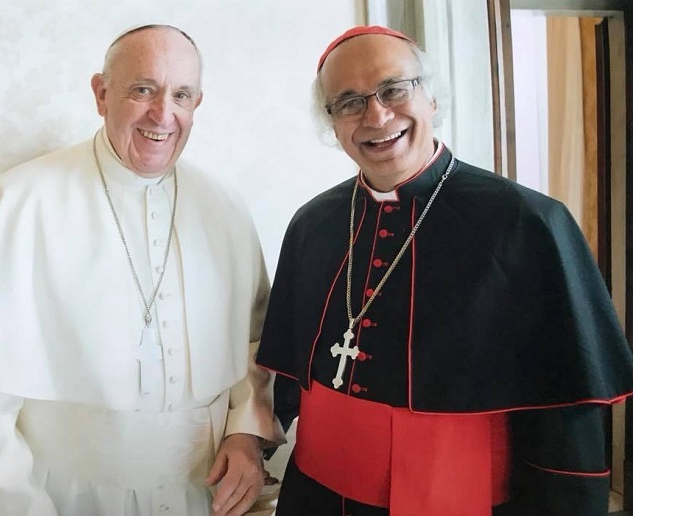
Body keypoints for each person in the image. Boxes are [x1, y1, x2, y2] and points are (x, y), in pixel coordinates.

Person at [256, 25, 633, 516]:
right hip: (318, 498)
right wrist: (250, 442)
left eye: (393, 89)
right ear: (332, 122)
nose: (376, 115)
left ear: (432, 97)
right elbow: (287, 375)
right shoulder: (312, 225)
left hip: (460, 500)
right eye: (347, 101)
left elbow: (566, 412)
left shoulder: (528, 223)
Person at [0, 24, 285, 516]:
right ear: (101, 93)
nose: (163, 114)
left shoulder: (223, 207)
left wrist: (246, 433)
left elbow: (253, 346)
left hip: (203, 495)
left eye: (181, 94)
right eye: (143, 90)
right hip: (65, 496)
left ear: (197, 103)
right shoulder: (21, 201)